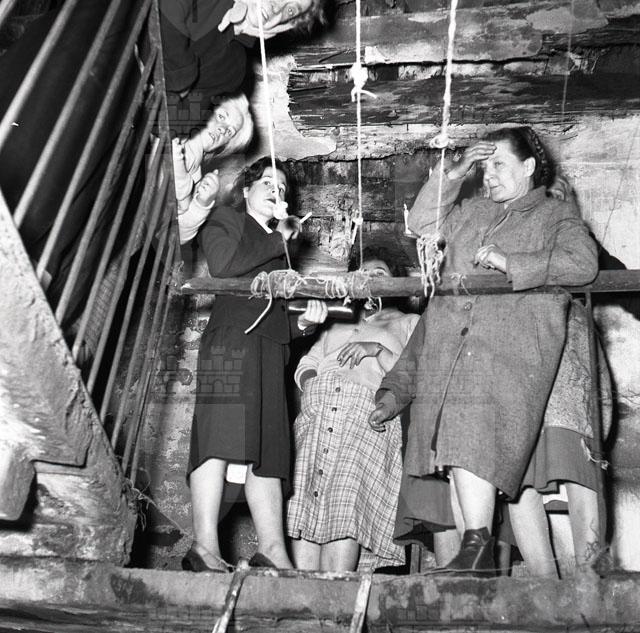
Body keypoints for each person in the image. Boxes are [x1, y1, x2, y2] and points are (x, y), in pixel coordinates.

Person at [369, 126, 599, 576]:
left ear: (528, 167)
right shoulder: (471, 211)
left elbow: (583, 264)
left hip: (509, 351)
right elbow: (421, 223)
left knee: (470, 438)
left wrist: (512, 264)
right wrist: (456, 172)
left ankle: (477, 549)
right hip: (453, 350)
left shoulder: (555, 216)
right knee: (453, 451)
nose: (488, 174)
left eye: (498, 164)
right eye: (484, 165)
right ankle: (472, 555)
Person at [183, 156, 328, 572]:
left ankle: (274, 551)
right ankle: (205, 547)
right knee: (218, 437)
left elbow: (271, 314)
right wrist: (279, 238)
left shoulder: (280, 250)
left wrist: (303, 323)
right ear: (246, 190)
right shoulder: (226, 220)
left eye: (281, 187)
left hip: (268, 352)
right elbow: (224, 267)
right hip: (230, 344)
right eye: (266, 182)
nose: (275, 190)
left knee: (268, 450)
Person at [287, 248, 420, 572]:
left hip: (367, 414)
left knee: (345, 503)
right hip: (321, 410)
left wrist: (375, 349)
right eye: (364, 273)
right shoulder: (339, 321)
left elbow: (414, 375)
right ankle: (302, 597)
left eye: (380, 273)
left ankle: (335, 596)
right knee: (307, 503)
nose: (371, 278)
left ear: (397, 283)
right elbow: (307, 363)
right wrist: (314, 391)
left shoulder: (409, 322)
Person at [159, 0, 325, 104]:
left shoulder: (233, 68)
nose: (277, 7)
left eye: (290, 10)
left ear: (284, 25)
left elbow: (173, 123)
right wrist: (183, 81)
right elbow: (164, 17)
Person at [171, 93, 253, 244]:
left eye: (230, 132)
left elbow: (177, 237)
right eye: (221, 116)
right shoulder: (177, 126)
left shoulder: (196, 174)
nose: (223, 130)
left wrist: (202, 204)